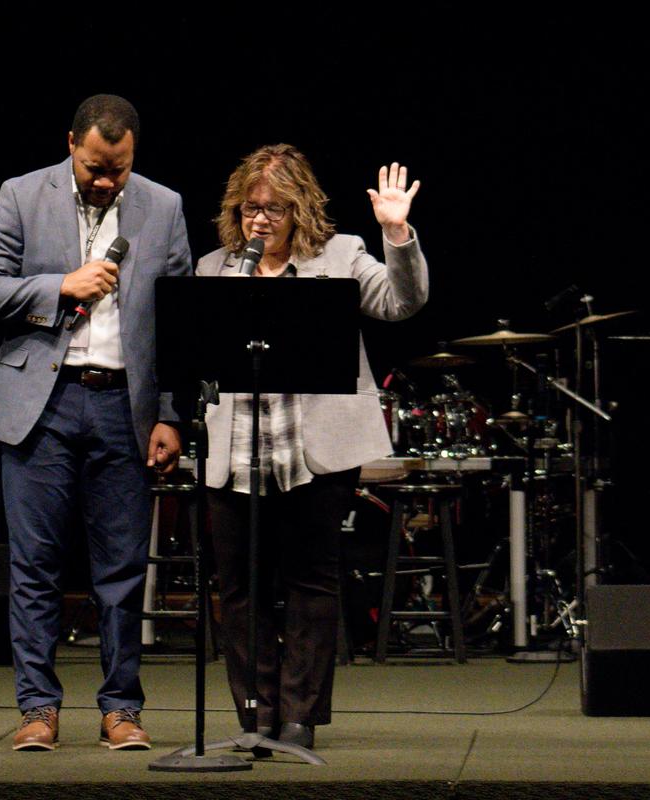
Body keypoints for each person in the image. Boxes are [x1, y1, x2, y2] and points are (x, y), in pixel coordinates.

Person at [0, 94, 189, 752]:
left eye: (118, 169)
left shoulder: (164, 206)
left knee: (122, 570)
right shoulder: (21, 195)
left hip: (124, 406)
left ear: (133, 155)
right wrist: (59, 285)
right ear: (71, 145)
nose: (105, 181)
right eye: (94, 167)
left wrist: (170, 415)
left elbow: (180, 323)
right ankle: (38, 708)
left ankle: (121, 708)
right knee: (35, 566)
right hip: (44, 404)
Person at [196, 144, 428, 749]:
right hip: (235, 451)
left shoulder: (341, 255)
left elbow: (401, 302)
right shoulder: (215, 268)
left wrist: (396, 233)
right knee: (240, 589)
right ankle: (256, 713)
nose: (261, 220)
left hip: (314, 451)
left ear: (299, 208)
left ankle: (300, 715)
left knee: (310, 582)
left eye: (274, 208)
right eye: (250, 208)